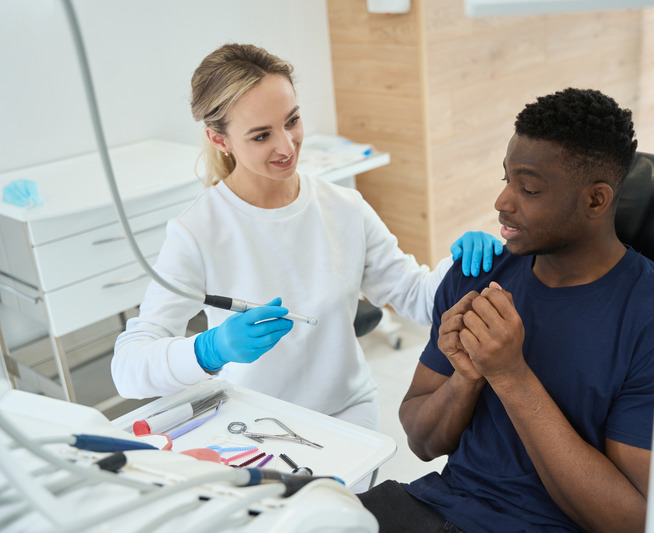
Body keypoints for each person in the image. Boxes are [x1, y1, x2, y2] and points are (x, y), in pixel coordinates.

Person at [111, 43, 500, 432]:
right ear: (219, 140)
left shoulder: (344, 207)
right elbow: (128, 369)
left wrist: (461, 269)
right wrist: (209, 350)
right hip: (250, 422)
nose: (286, 146)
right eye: (261, 136)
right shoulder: (198, 231)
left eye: (292, 120)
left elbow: (419, 300)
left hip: (346, 412)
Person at [358, 88, 654, 532]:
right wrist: (466, 376)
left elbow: (632, 521)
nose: (502, 202)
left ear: (596, 200)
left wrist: (511, 376)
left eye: (529, 188)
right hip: (435, 508)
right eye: (506, 179)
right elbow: (421, 441)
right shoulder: (479, 276)